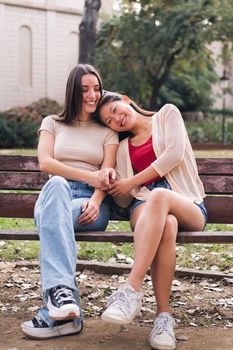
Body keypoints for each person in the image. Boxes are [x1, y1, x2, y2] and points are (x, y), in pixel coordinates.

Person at [94, 92, 208, 350]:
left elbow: (174, 154)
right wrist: (111, 179)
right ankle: (164, 319)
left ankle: (131, 288)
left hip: (187, 204)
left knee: (159, 196)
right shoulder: (122, 148)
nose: (116, 118)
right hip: (144, 208)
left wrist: (131, 181)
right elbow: (124, 200)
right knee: (166, 223)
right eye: (109, 120)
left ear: (125, 99)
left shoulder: (167, 114)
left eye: (115, 109)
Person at [21, 65, 118, 339]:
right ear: (72, 92)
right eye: (85, 89)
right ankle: (64, 303)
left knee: (54, 216)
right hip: (56, 196)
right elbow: (46, 163)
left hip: (89, 203)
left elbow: (107, 175)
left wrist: (98, 201)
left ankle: (58, 302)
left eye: (97, 88)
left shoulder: (107, 131)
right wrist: (90, 175)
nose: (92, 95)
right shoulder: (52, 123)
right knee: (56, 183)